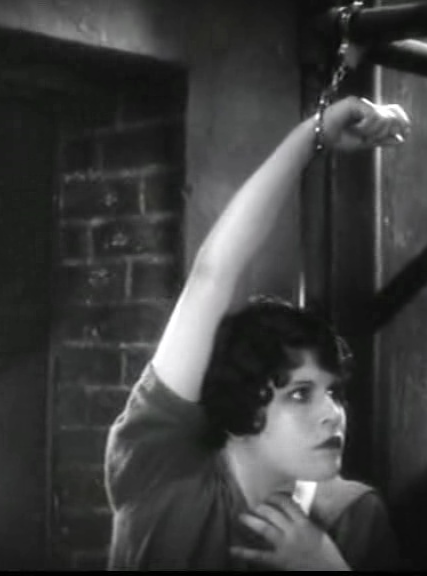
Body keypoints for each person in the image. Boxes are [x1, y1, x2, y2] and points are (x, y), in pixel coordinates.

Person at [104, 95, 411, 571]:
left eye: (333, 392)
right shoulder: (160, 473)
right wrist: (315, 135)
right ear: (241, 407)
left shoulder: (355, 516)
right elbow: (211, 277)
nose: (332, 415)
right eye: (299, 394)